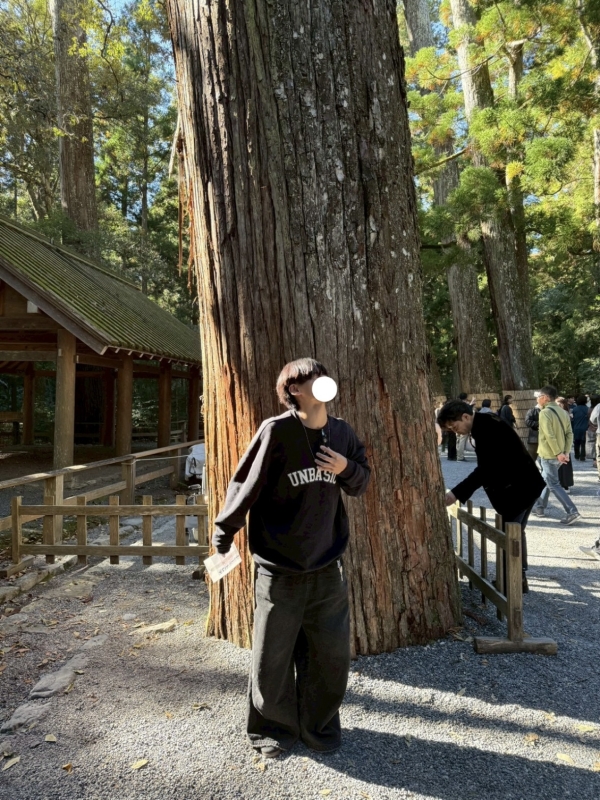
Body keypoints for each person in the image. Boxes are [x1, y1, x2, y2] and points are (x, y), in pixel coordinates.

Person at [212, 358, 370, 758]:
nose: (322, 380)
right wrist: (223, 535)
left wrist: (345, 466)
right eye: (311, 377)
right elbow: (244, 484)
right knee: (272, 656)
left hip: (327, 567)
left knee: (329, 656)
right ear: (294, 390)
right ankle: (272, 731)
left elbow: (362, 480)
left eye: (322, 373)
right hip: (278, 568)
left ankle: (318, 726)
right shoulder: (277, 431)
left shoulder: (342, 432)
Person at [439, 400, 545, 593]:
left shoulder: (485, 428)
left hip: (519, 488)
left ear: (465, 416)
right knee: (515, 532)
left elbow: (485, 470)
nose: (456, 432)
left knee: (509, 535)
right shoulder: (486, 421)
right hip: (527, 484)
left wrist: (456, 493)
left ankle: (510, 581)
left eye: (455, 427)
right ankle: (518, 578)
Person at [532, 385, 580, 525]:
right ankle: (540, 507)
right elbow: (569, 433)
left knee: (552, 483)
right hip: (559, 454)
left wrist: (559, 453)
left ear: (545, 397)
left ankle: (572, 511)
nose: (537, 399)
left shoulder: (545, 413)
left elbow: (549, 435)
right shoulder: (562, 411)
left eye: (539, 396)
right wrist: (565, 452)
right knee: (546, 480)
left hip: (549, 454)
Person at [456, 392, 476, 461]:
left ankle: (459, 455)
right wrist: (472, 403)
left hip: (457, 423)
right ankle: (460, 456)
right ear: (466, 397)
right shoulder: (464, 405)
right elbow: (468, 411)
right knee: (462, 439)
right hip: (463, 424)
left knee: (459, 439)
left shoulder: (457, 404)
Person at [524, 393, 542, 461]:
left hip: (546, 439)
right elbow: (528, 422)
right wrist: (540, 424)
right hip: (534, 439)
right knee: (531, 458)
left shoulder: (547, 411)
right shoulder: (532, 410)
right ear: (537, 400)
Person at [571, 395, 589, 461]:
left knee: (576, 442)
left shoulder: (575, 409)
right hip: (585, 428)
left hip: (576, 427)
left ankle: (576, 455)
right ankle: (582, 456)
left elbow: (572, 418)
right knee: (583, 443)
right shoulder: (587, 409)